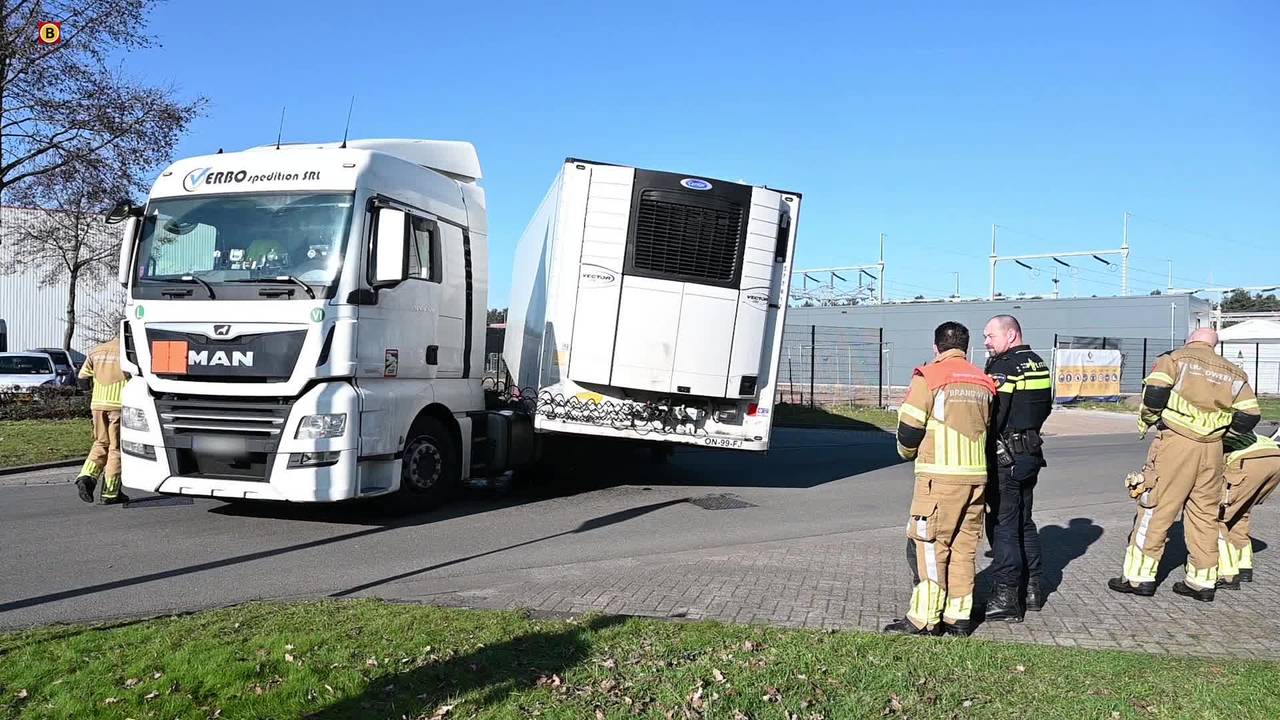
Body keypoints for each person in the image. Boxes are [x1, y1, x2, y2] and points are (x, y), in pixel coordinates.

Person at [1109, 328, 1259, 602]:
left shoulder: (1176, 359)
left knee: (1156, 507)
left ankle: (1139, 577)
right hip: (1212, 449)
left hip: (1176, 442)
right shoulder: (1235, 373)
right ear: (1215, 345)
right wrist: (1223, 437)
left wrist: (1156, 420)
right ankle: (1201, 582)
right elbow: (1250, 415)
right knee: (1204, 515)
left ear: (1191, 339)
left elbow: (1154, 392)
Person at [884, 322, 995, 636]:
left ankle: (925, 619)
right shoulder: (983, 380)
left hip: (940, 478)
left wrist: (907, 453)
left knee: (930, 545)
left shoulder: (929, 375)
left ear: (936, 347)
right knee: (963, 548)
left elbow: (909, 427)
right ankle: (959, 617)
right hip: (976, 477)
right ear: (966, 345)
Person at [981, 315, 1053, 621]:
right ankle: (1032, 589)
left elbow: (994, 413)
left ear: (1010, 335)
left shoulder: (1005, 366)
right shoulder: (1038, 363)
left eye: (990, 336)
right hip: (1030, 452)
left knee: (1003, 526)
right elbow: (1046, 406)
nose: (986, 342)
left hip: (1005, 456)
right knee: (1025, 521)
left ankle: (1005, 596)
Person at [1217, 430, 1280, 588]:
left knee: (1216, 517)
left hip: (1245, 459)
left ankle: (1226, 573)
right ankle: (1244, 565)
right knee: (1240, 512)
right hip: (1273, 454)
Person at [74, 335, 129, 505]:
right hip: (120, 405)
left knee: (100, 442)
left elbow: (82, 379)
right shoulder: (129, 351)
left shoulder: (96, 350)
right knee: (116, 449)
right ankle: (110, 492)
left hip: (97, 404)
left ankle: (86, 477)